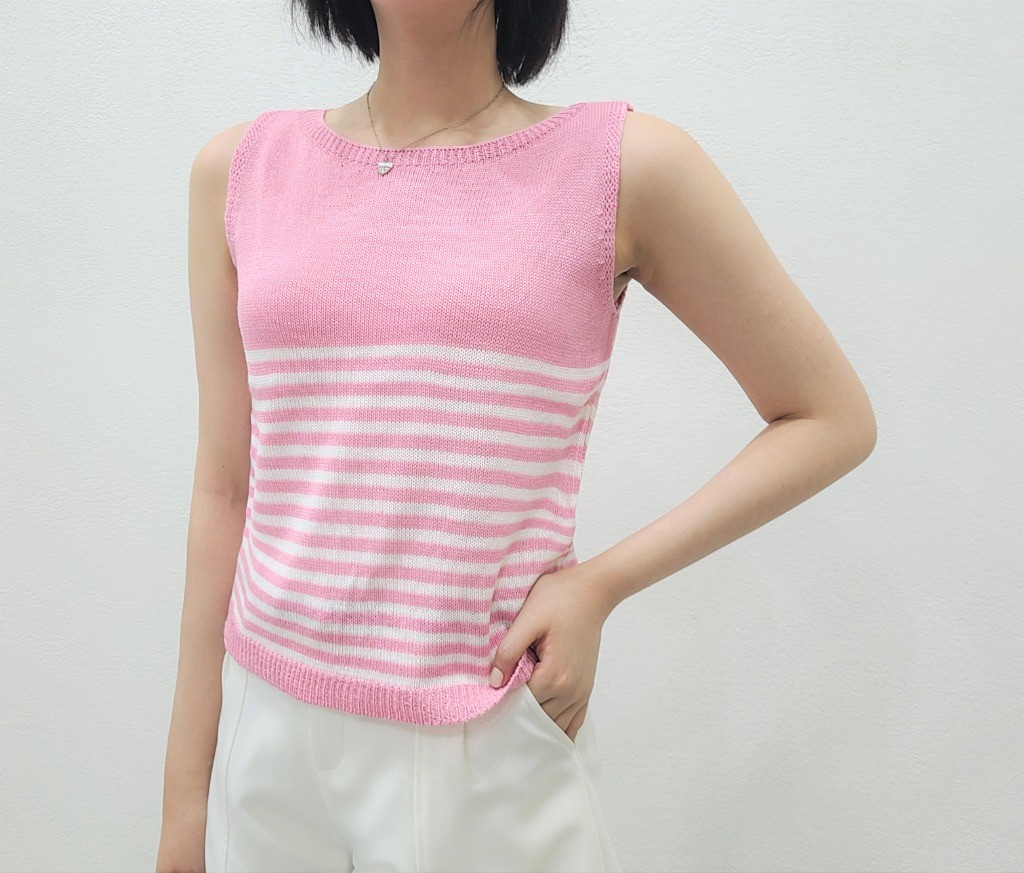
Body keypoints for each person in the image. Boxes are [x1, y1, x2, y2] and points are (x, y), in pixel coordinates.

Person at [156, 1, 877, 871]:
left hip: (477, 730)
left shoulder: (622, 166)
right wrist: (185, 802)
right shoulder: (241, 170)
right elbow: (225, 488)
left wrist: (599, 585)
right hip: (265, 719)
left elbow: (828, 415)